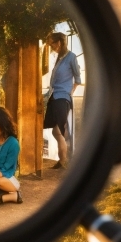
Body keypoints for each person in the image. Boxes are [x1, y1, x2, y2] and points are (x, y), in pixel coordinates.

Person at [43, 31, 81, 169]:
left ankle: (64, 161)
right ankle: (62, 160)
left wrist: (69, 93)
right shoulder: (59, 58)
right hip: (54, 96)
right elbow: (54, 81)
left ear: (58, 42)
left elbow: (77, 79)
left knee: (60, 130)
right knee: (55, 131)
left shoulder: (71, 57)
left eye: (51, 44)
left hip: (62, 98)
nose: (51, 47)